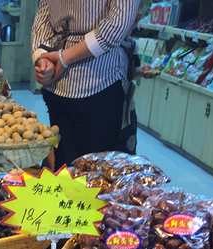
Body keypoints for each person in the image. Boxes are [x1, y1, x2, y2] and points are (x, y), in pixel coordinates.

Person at [31, 0, 141, 167]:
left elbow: (43, 17)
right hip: (100, 79)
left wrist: (43, 57)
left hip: (61, 78)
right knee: (98, 173)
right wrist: (52, 59)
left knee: (64, 164)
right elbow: (116, 26)